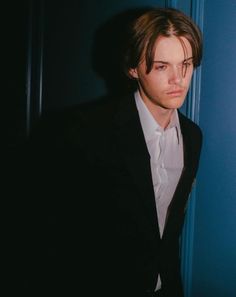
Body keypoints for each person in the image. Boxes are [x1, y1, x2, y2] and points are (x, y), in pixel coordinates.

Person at [27, 7, 203, 297]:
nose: (178, 79)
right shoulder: (82, 131)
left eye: (186, 63)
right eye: (161, 66)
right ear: (133, 68)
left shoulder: (193, 137)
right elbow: (53, 236)